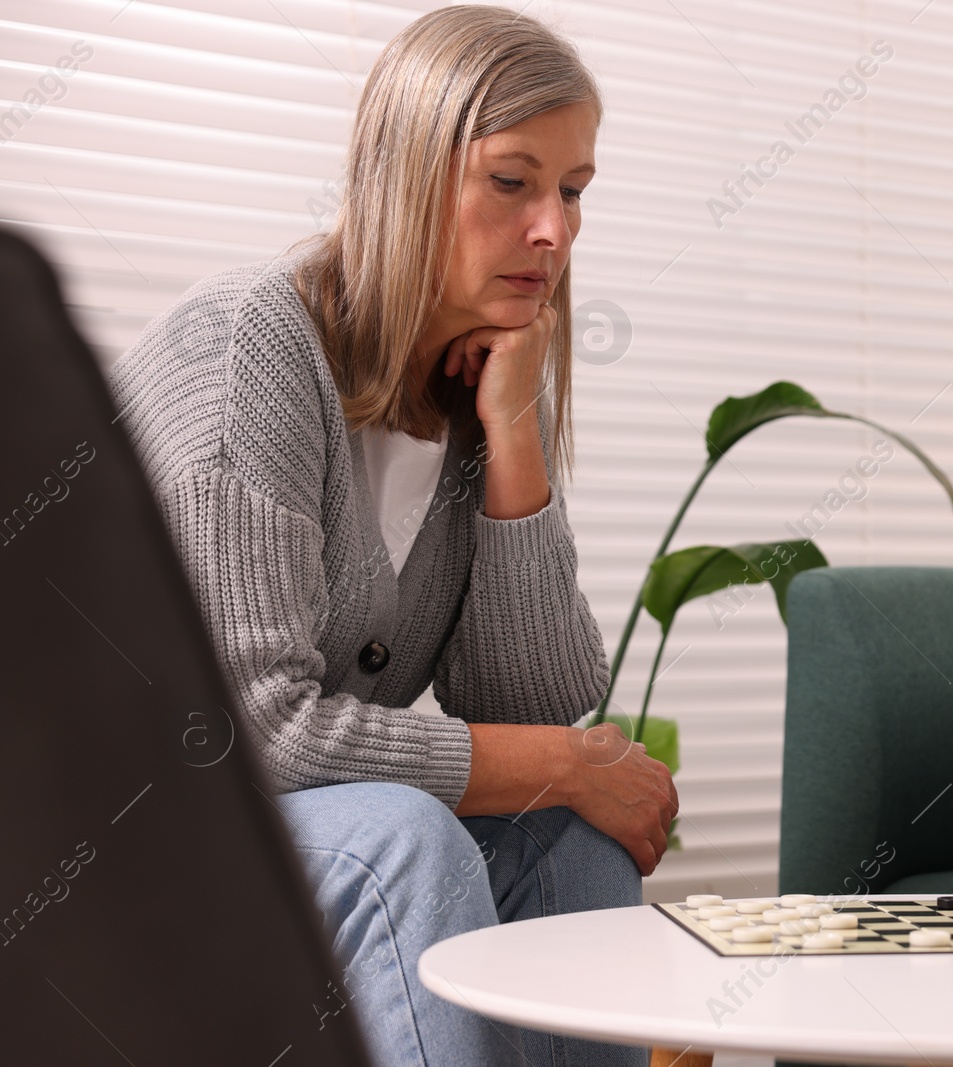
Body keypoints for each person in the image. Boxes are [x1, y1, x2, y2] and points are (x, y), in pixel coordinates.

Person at [108, 8, 676, 1065]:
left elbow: (527, 701)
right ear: (408, 175)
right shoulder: (253, 340)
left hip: (283, 833)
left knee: (574, 835)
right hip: (123, 829)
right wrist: (566, 760)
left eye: (574, 190)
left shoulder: (478, 380)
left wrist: (511, 434)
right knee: (398, 844)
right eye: (513, 181)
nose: (555, 229)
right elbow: (252, 730)